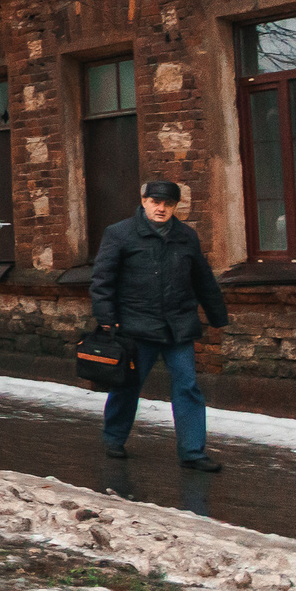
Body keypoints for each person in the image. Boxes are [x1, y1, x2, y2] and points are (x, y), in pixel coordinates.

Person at [92, 178, 230, 471]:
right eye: (156, 202)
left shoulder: (186, 237)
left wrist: (218, 315)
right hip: (136, 326)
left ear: (176, 206)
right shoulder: (120, 234)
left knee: (187, 387)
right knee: (128, 385)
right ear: (144, 201)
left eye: (168, 204)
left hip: (178, 325)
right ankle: (114, 438)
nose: (161, 209)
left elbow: (203, 279)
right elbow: (103, 281)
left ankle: (193, 452)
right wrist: (106, 319)